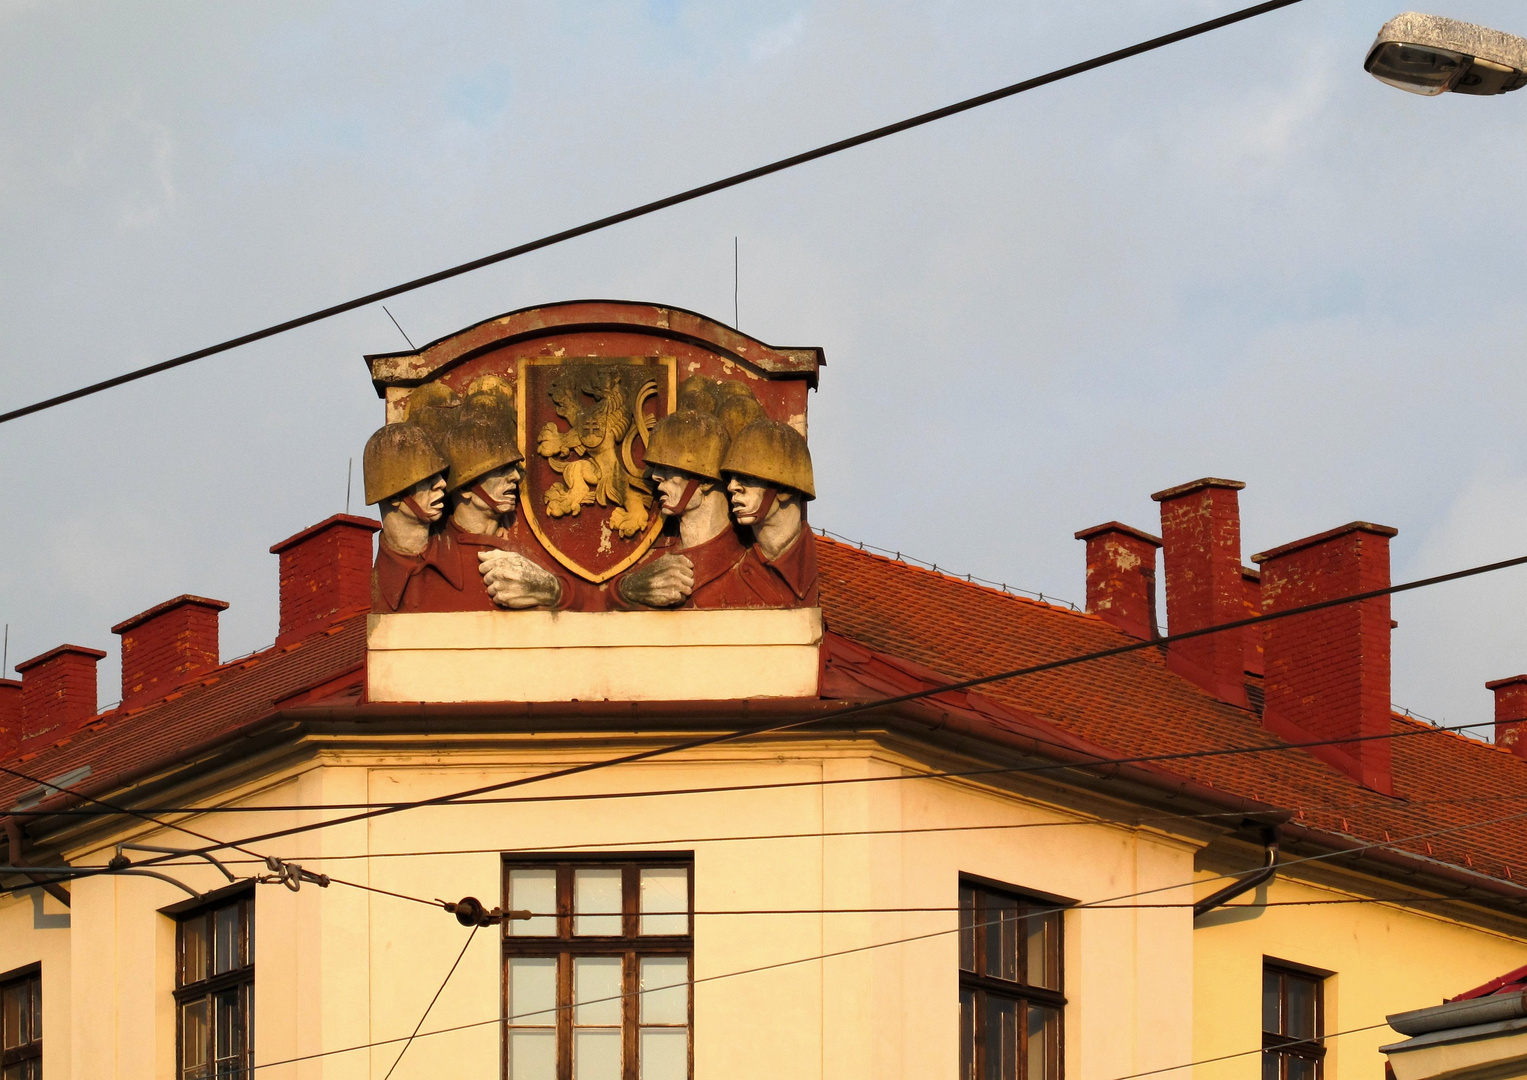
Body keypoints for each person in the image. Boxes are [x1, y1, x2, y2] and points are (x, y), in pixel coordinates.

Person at [614, 407, 754, 609]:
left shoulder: (751, 564)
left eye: (669, 467)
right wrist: (627, 590)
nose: (656, 476)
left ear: (705, 480)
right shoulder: (653, 556)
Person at [439, 410, 568, 610]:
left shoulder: (527, 538)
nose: (515, 477)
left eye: (514, 468)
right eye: (501, 469)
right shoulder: (437, 554)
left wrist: (554, 591)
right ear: (465, 488)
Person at [363, 422, 463, 613]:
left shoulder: (469, 560)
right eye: (427, 479)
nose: (441, 484)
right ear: (393, 496)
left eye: (439, 475)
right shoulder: (373, 589)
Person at [721, 418, 819, 606]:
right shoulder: (731, 570)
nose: (732, 486)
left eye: (747, 478)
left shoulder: (825, 571)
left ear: (785, 490)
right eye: (731, 478)